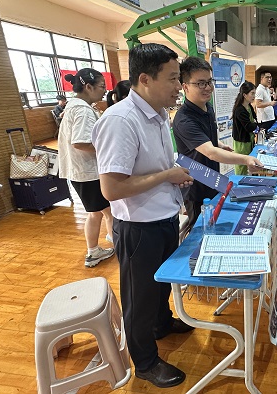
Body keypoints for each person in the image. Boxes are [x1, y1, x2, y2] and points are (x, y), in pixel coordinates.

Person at [92, 43, 195, 388]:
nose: (179, 86)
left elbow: (158, 164)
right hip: (138, 226)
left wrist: (175, 174)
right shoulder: (120, 121)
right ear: (145, 79)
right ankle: (146, 362)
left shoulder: (158, 113)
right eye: (173, 79)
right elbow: (111, 188)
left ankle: (161, 324)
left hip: (163, 216)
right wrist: (167, 175)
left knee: (161, 284)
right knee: (140, 298)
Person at [174, 57, 263, 230]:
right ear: (185, 87)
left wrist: (220, 144)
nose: (208, 87)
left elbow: (207, 139)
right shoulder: (184, 119)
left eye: (209, 82)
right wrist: (245, 159)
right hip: (196, 187)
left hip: (212, 180)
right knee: (200, 231)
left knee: (214, 224)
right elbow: (210, 152)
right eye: (201, 83)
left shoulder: (207, 107)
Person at [58, 68, 114, 268]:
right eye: (102, 86)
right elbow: (80, 142)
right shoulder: (82, 110)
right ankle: (97, 250)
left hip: (81, 172)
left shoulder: (76, 106)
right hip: (88, 172)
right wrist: (107, 148)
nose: (105, 91)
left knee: (100, 212)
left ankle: (103, 245)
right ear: (88, 87)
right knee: (105, 211)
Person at [232, 81, 258, 176]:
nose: (254, 96)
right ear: (244, 95)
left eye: (254, 93)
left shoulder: (249, 106)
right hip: (241, 142)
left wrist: (254, 124)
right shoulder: (240, 110)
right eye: (252, 93)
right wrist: (255, 125)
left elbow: (255, 119)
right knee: (241, 164)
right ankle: (239, 182)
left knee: (250, 162)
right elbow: (249, 127)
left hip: (249, 139)